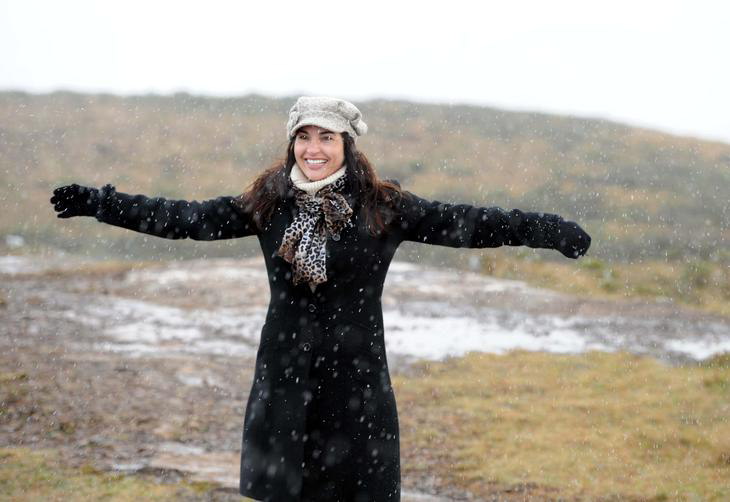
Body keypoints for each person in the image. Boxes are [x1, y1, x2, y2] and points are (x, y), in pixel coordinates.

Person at [50, 96, 591, 502]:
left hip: (356, 380)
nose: (313, 149)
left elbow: (471, 223)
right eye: (303, 137)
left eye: (326, 137)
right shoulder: (267, 203)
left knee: (356, 489)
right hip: (285, 376)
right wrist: (102, 203)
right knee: (286, 490)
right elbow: (186, 219)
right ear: (292, 144)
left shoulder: (383, 207)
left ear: (347, 145)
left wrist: (547, 229)